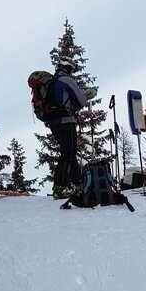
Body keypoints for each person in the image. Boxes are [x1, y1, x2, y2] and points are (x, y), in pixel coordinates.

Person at [48, 57, 89, 198]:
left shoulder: (52, 82)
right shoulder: (67, 80)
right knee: (67, 154)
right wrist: (89, 95)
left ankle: (79, 183)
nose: (72, 72)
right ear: (67, 67)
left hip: (54, 123)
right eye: (71, 69)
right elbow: (81, 100)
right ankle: (60, 187)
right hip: (66, 121)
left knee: (70, 153)